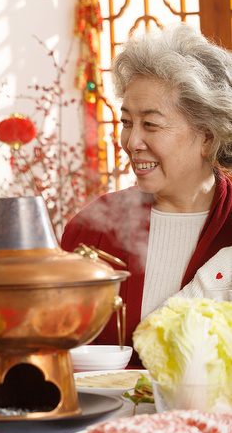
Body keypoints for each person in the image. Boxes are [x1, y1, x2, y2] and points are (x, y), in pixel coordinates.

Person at [60, 23, 232, 366]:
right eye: (127, 122)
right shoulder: (92, 230)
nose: (132, 142)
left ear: (208, 137)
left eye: (150, 124)